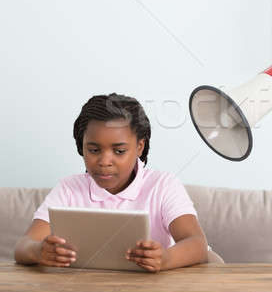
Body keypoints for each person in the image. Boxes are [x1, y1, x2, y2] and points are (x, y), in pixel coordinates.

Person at [15, 93, 210, 272]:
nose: (104, 161)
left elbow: (197, 244)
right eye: (93, 150)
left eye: (119, 151)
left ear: (139, 147)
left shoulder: (163, 185)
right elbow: (23, 246)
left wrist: (166, 258)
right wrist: (38, 251)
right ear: (81, 146)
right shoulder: (69, 188)